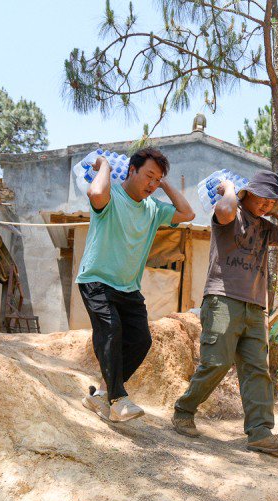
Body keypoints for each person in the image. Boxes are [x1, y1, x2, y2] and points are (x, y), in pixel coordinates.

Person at [171, 170, 278, 456]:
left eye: (272, 201)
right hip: (222, 299)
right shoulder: (231, 215)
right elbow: (225, 208)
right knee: (217, 362)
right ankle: (184, 410)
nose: (266, 205)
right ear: (247, 194)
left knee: (257, 369)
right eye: (263, 198)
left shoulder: (267, 227)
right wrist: (232, 188)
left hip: (255, 306)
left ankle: (260, 432)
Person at [77, 147, 195, 422]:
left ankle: (101, 395)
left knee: (141, 340)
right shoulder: (111, 195)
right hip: (96, 279)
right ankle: (118, 399)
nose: (152, 184)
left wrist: (164, 183)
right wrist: (105, 164)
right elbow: (96, 194)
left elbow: (187, 214)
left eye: (158, 180)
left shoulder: (153, 209)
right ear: (131, 170)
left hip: (128, 287)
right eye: (149, 176)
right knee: (110, 330)